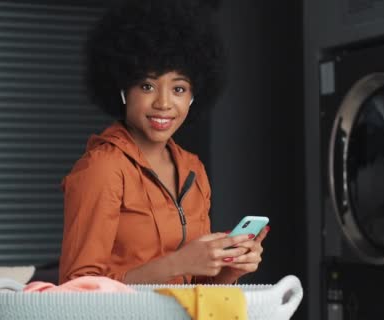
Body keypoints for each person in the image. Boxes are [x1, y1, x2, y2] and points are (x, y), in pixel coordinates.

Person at [58, 0, 269, 285]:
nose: (164, 103)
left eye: (179, 88)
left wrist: (230, 268)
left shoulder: (193, 171)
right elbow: (77, 287)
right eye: (147, 86)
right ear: (123, 89)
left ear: (194, 96)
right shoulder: (103, 169)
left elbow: (195, 289)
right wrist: (178, 262)